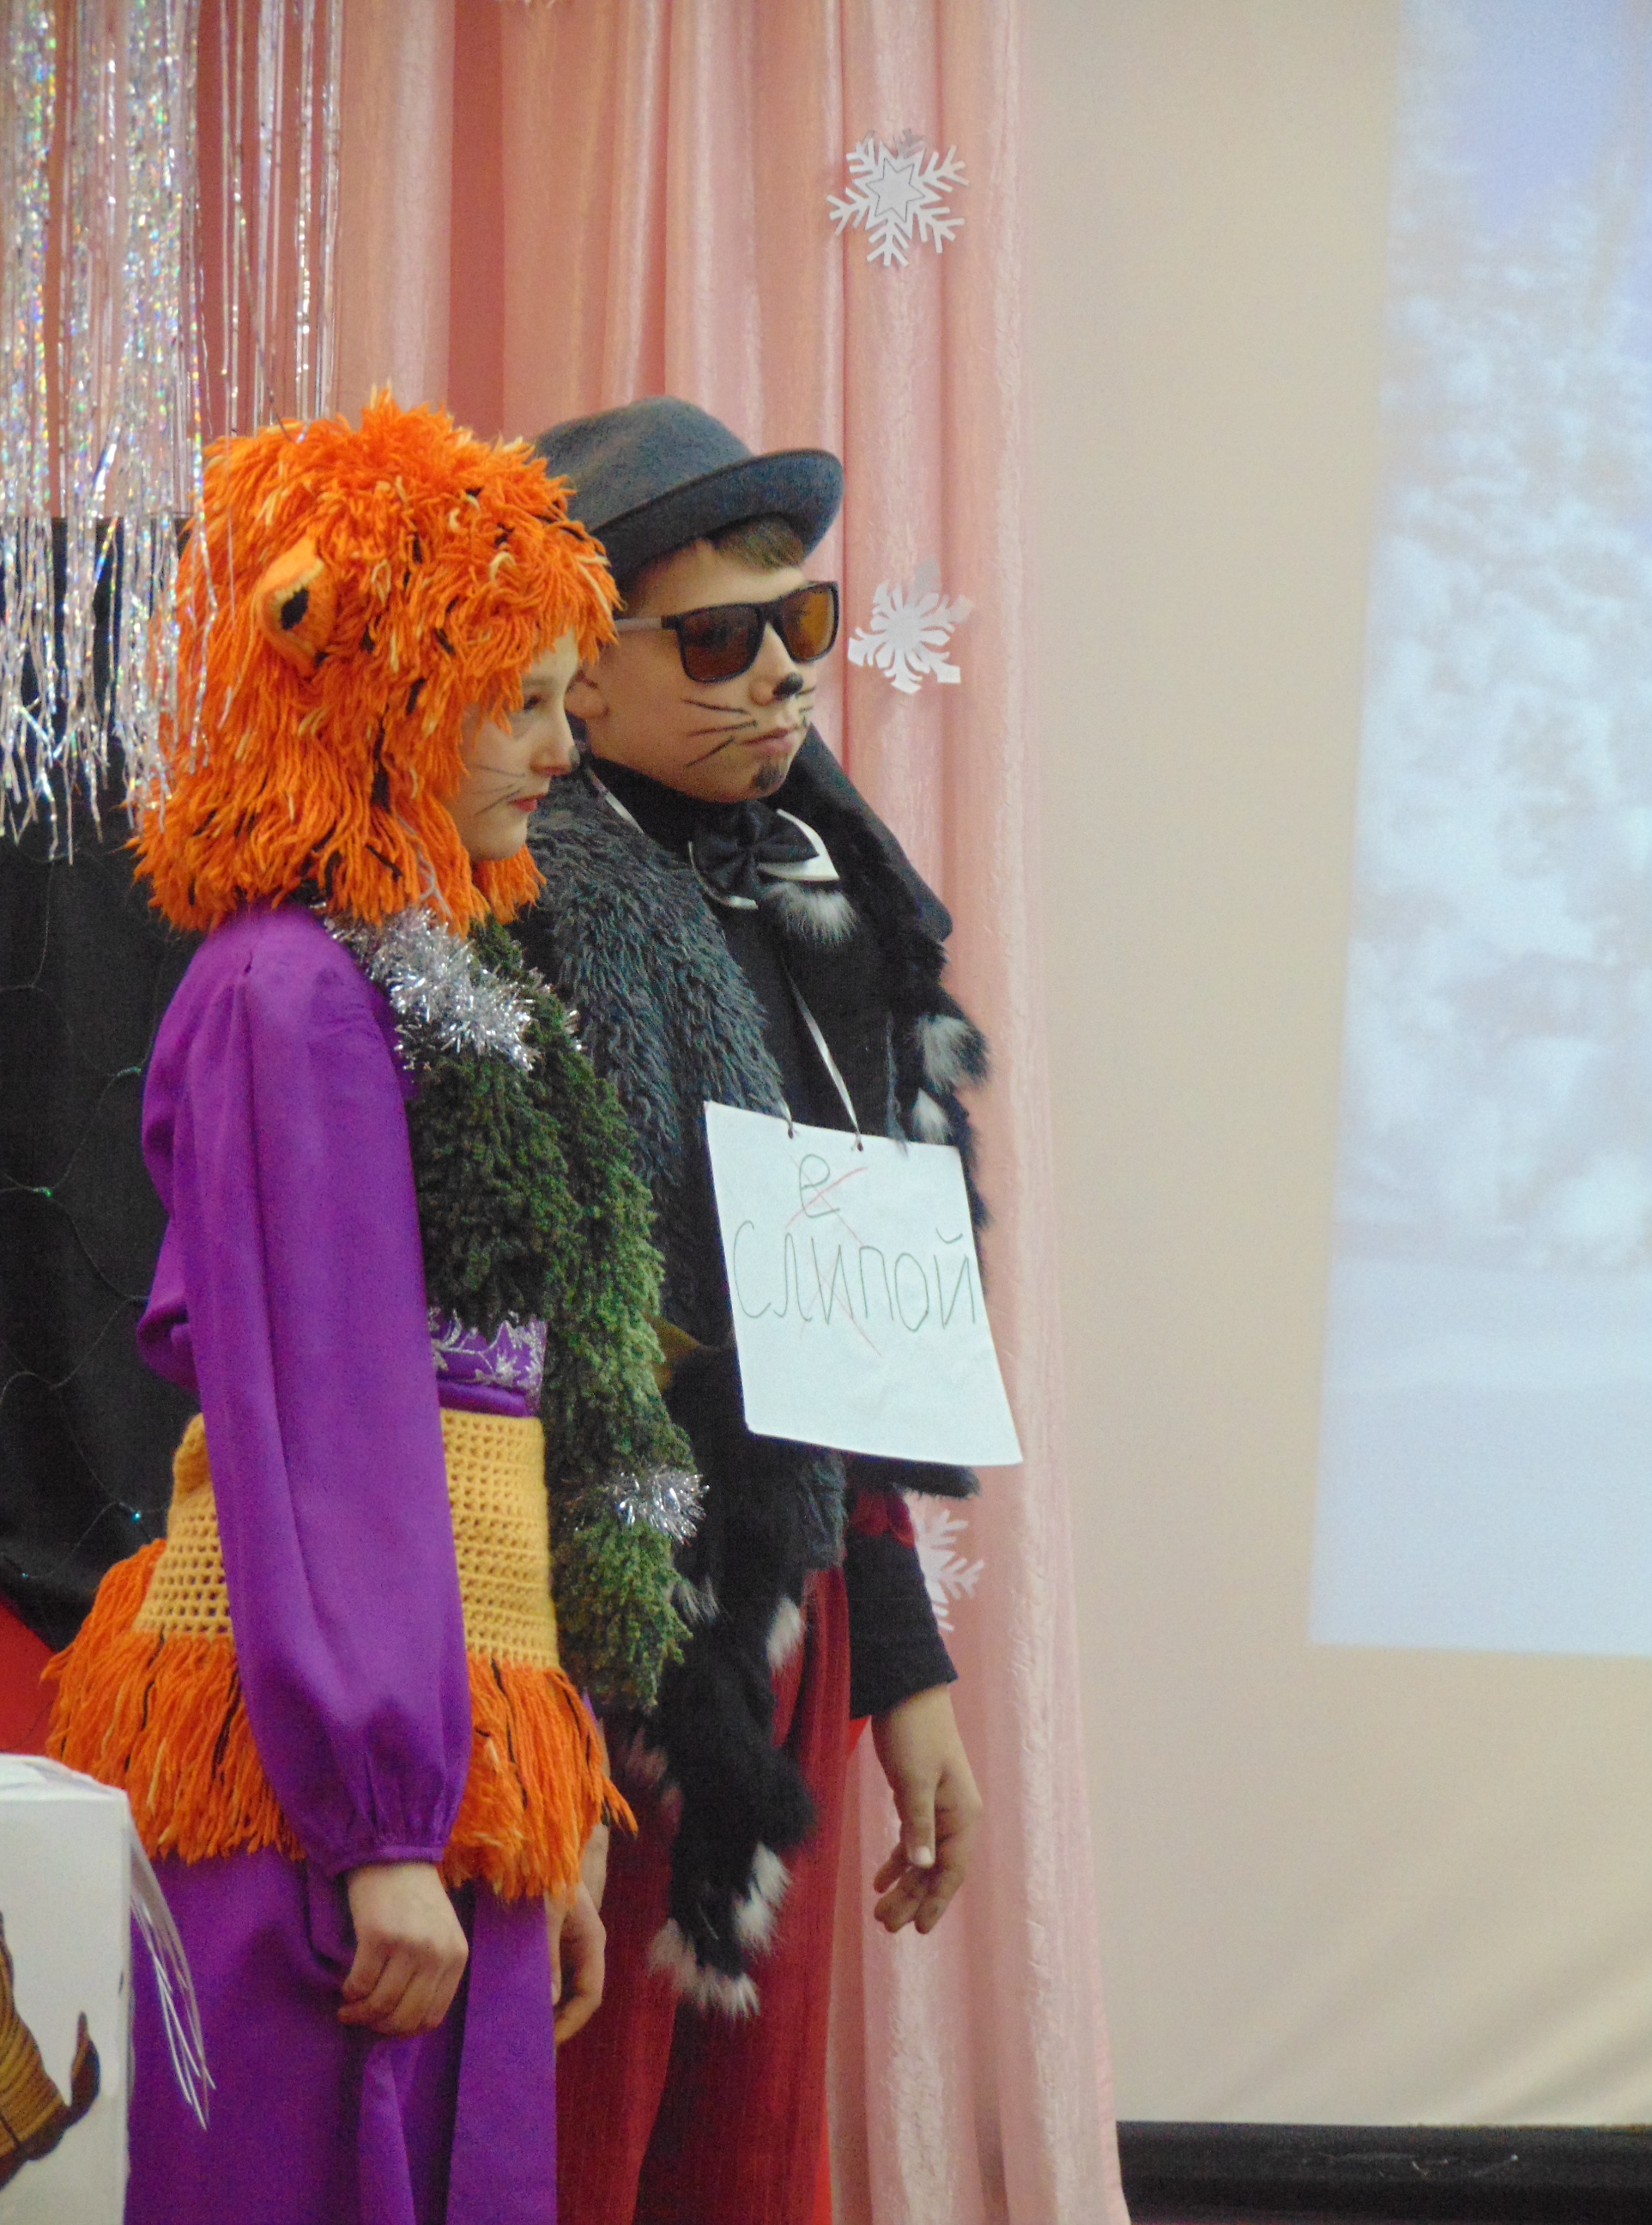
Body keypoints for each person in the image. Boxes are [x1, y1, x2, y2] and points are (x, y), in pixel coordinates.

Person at [45, 395, 699, 2225]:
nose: (563, 749)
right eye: (520, 701)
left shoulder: (447, 984)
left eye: (567, 699)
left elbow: (508, 1422)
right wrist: (386, 1823)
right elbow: (327, 1419)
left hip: (431, 1758)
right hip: (325, 1787)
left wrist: (534, 1804)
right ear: (383, 696)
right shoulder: (292, 991)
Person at [514, 396, 989, 2225]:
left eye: (802, 623)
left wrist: (903, 1665)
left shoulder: (828, 890)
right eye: (719, 639)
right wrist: (540, 1706)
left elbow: (849, 1315)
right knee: (570, 2137)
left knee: (750, 2161)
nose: (784, 675)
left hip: (792, 1598)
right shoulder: (520, 904)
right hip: (591, 1618)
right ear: (580, 663)